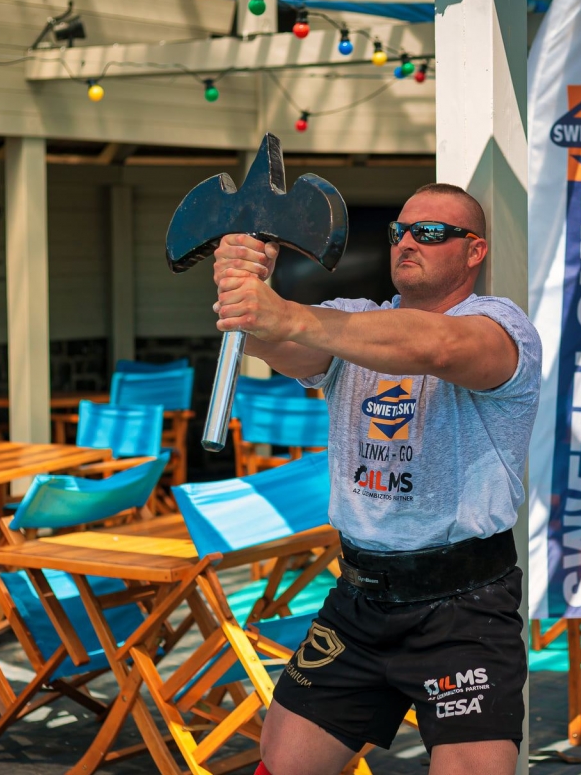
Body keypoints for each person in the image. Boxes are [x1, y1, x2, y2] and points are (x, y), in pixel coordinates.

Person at [212, 183, 541, 775]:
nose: (408, 241)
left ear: (475, 251)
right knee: (282, 760)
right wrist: (242, 291)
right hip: (360, 597)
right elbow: (276, 345)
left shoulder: (501, 326)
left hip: (463, 607)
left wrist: (285, 313)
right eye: (399, 231)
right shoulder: (353, 320)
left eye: (431, 232)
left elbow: (438, 349)